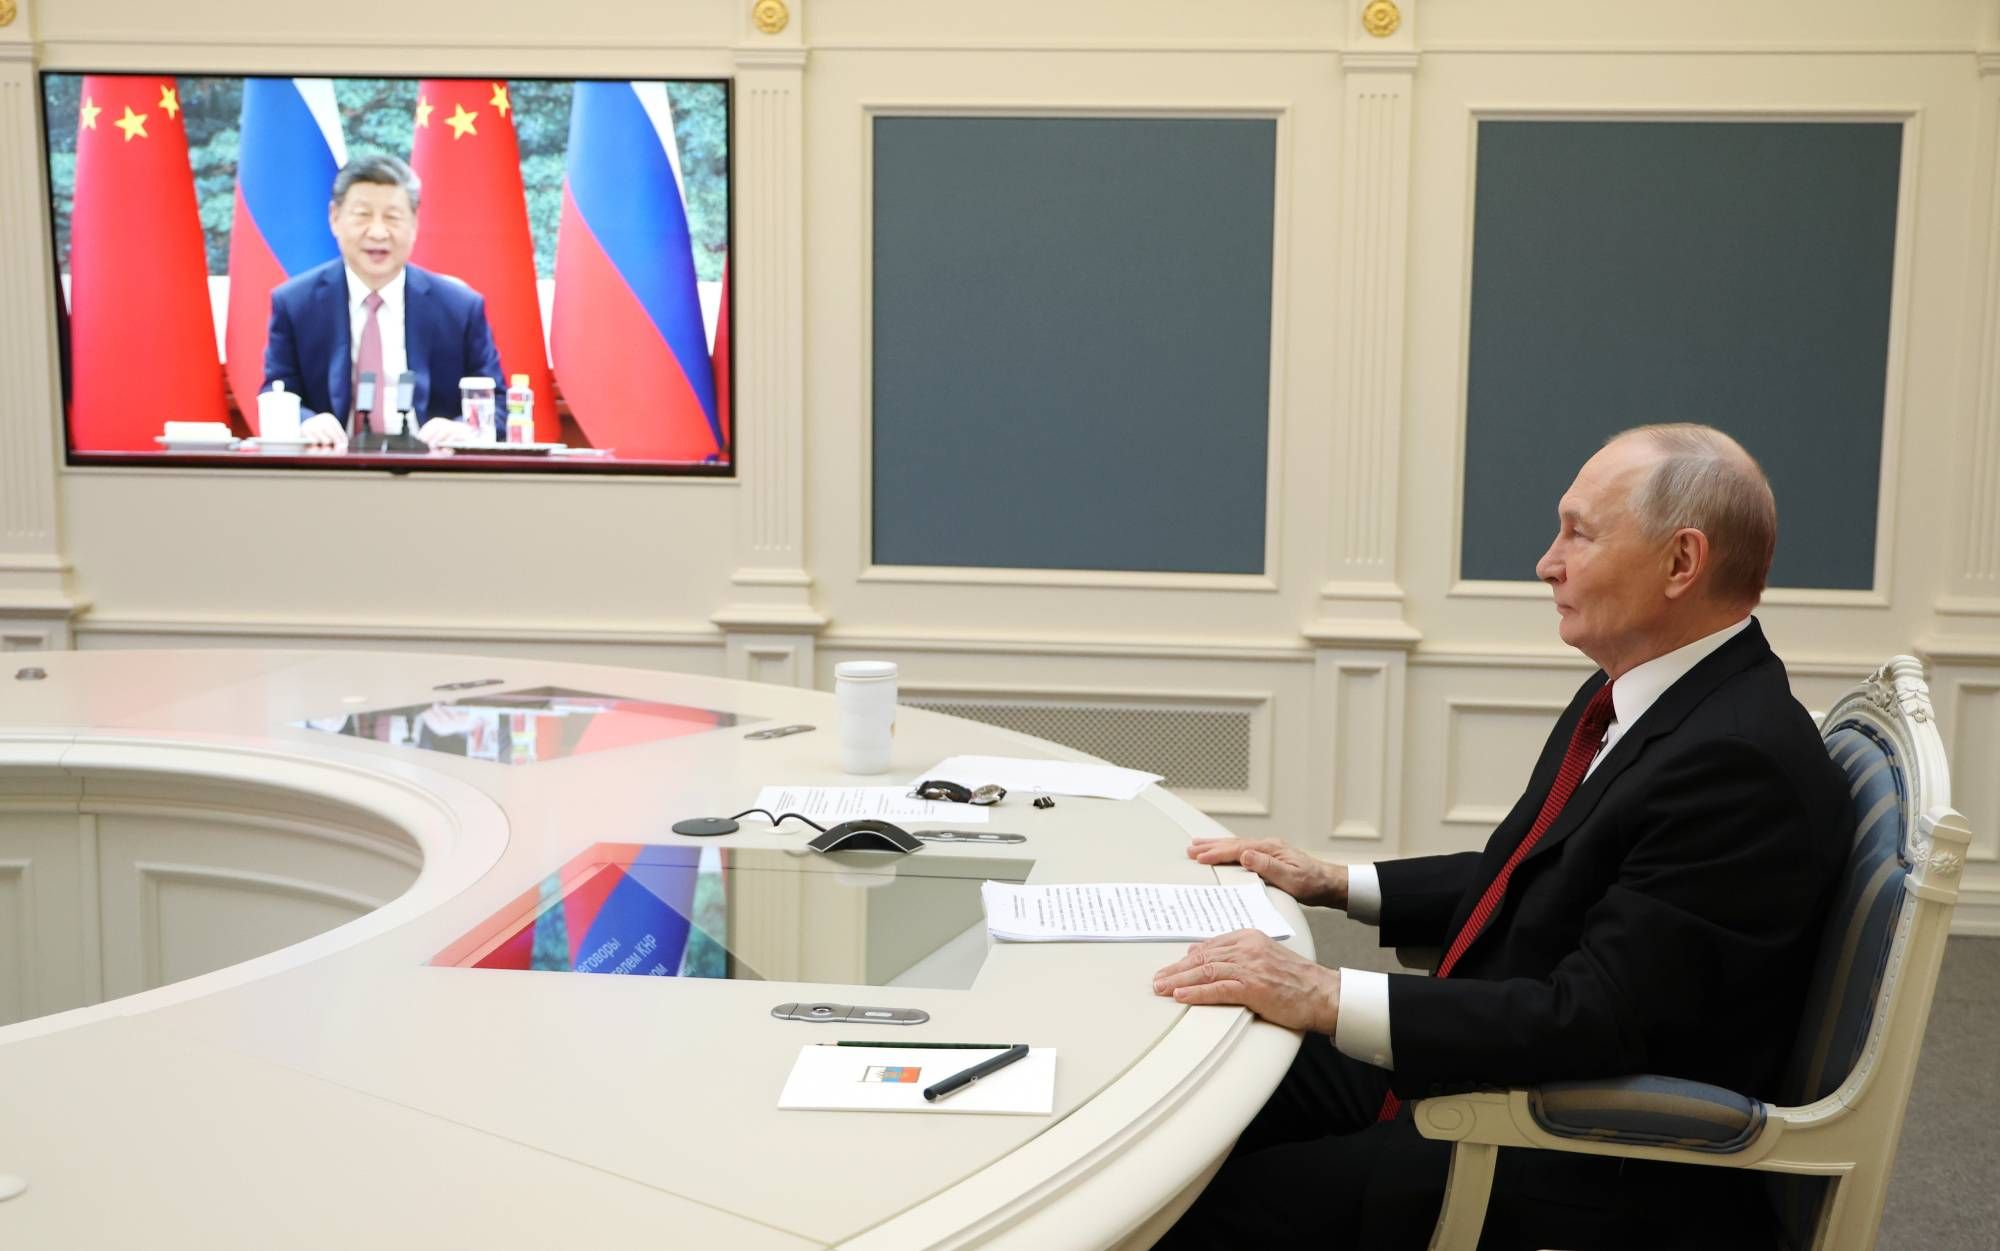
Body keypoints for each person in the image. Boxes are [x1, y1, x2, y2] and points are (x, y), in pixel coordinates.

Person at [1152, 424, 1851, 1250]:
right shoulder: (1647, 695)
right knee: (1199, 1086)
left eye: (1579, 533)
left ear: (1681, 562)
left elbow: (1594, 1019)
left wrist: (1324, 993)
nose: (1547, 562)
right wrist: (1337, 881)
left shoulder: (1737, 763)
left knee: (1191, 1203)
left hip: (1572, 1153)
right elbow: (1533, 871)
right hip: (1493, 1072)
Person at [260, 154, 505, 448]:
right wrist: (305, 422)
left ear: (414, 223)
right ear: (335, 218)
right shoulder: (296, 304)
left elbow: (498, 403)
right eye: (363, 215)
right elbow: (276, 392)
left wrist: (463, 428)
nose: (378, 232)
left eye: (392, 217)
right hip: (331, 465)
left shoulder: (459, 308)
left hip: (431, 466)